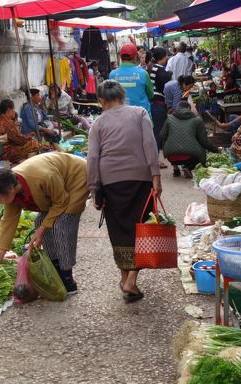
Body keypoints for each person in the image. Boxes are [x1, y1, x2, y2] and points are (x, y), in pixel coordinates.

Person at [86, 80, 161, 303]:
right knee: (141, 229)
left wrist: (93, 189)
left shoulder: (97, 124)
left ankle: (124, 278)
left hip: (111, 183)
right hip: (140, 180)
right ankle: (131, 281)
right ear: (122, 95)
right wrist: (156, 177)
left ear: (101, 101)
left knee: (119, 231)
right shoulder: (139, 113)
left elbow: (92, 158)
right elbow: (150, 145)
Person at [0, 153, 89, 293]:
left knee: (61, 225)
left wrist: (42, 230)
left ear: (10, 189)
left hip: (76, 177)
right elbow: (7, 226)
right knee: (39, 221)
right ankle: (56, 271)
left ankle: (68, 280)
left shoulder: (42, 177)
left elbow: (61, 201)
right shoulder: (11, 191)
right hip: (58, 188)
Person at [161, 101, 220, 178]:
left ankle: (175, 168)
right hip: (189, 157)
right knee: (201, 149)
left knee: (169, 142)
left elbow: (162, 135)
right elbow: (204, 142)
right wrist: (216, 150)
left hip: (171, 156)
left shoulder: (169, 119)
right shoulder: (197, 120)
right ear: (189, 108)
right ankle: (188, 167)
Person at [0, 99, 45, 164]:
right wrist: (30, 138)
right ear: (9, 110)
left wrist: (27, 135)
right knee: (33, 144)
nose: (14, 111)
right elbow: (20, 140)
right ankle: (28, 165)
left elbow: (15, 137)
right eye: (13, 109)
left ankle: (22, 162)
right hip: (4, 153)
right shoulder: (7, 123)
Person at [108, 43, 154, 116]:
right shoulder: (143, 73)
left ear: (120, 57)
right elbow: (151, 94)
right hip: (142, 117)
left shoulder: (112, 75)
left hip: (120, 117)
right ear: (136, 57)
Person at [149, 47, 173, 168]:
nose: (167, 58)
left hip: (154, 103)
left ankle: (155, 159)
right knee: (157, 134)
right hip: (158, 105)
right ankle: (155, 161)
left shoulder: (153, 68)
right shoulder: (160, 70)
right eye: (166, 56)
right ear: (162, 58)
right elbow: (167, 84)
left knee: (156, 133)